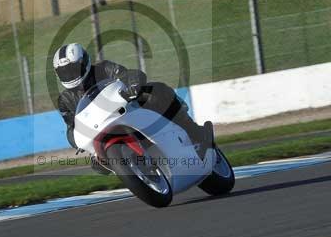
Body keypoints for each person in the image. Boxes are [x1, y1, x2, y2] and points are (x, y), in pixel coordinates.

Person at [53, 43, 213, 172]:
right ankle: (135, 171)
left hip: (126, 111)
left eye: (72, 69)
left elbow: (126, 74)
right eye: (64, 72)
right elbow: (71, 127)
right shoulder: (65, 100)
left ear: (84, 62)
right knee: (97, 165)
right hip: (100, 131)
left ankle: (195, 132)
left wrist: (133, 84)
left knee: (156, 90)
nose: (69, 75)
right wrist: (75, 140)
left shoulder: (103, 68)